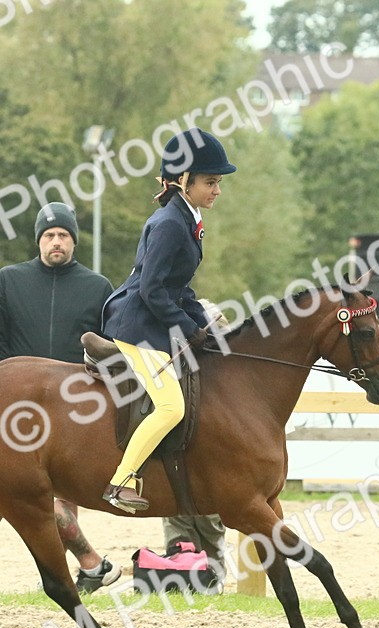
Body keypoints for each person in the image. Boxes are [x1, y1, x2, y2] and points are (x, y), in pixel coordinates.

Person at [0, 201, 121, 594]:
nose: (55, 241)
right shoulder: (9, 280)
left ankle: (74, 572)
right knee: (32, 490)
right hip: (20, 404)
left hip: (76, 404)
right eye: (48, 235)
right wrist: (7, 387)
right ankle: (82, 567)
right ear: (38, 241)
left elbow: (109, 344)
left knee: (66, 489)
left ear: (73, 241)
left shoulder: (98, 286)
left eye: (62, 235)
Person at [100, 127, 236, 514]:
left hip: (153, 322)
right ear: (183, 180)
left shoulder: (186, 218)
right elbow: (152, 290)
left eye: (218, 182)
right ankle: (121, 480)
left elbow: (180, 288)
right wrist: (188, 328)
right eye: (210, 182)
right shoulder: (170, 224)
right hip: (136, 327)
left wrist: (204, 325)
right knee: (171, 408)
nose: (217, 190)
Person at [162, 299, 230, 591]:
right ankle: (179, 572)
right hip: (178, 441)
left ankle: (211, 577)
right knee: (176, 512)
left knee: (209, 516)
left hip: (208, 450)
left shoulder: (223, 377)